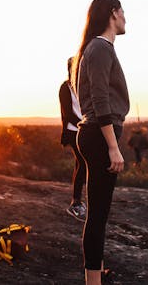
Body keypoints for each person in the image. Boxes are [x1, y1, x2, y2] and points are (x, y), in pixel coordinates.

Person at [73, 0, 129, 285]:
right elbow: (100, 99)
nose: (126, 17)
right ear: (112, 13)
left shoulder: (97, 48)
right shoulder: (100, 47)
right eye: (123, 11)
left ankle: (98, 273)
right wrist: (113, 146)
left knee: (99, 211)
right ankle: (93, 281)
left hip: (96, 133)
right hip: (99, 135)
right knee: (97, 214)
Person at [59, 57, 87, 220]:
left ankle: (79, 201)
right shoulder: (65, 88)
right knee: (82, 162)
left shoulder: (84, 85)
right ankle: (75, 202)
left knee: (83, 163)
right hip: (73, 131)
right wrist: (85, 124)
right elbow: (68, 113)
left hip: (85, 129)